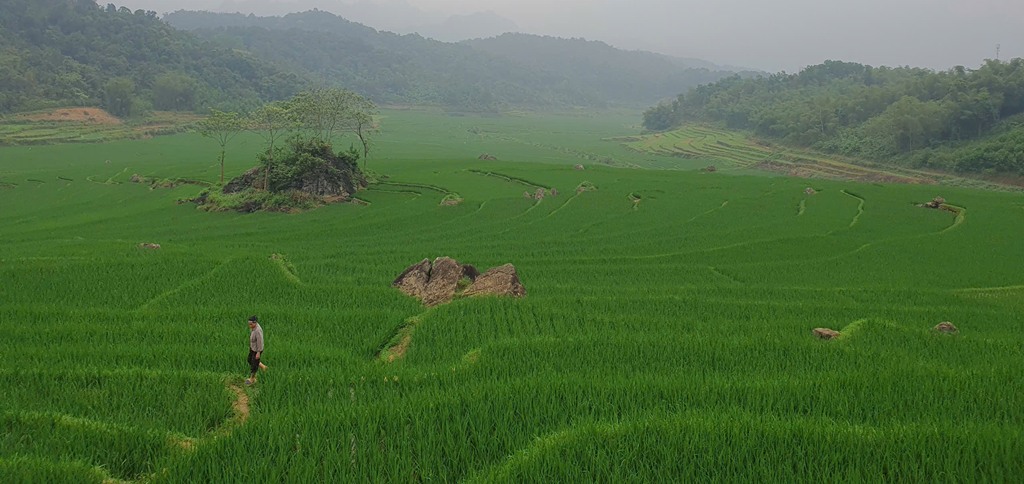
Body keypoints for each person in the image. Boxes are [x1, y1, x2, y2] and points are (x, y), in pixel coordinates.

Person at [246, 315, 267, 385]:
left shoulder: (258, 331)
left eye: (251, 324)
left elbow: (260, 342)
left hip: (257, 350)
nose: (249, 325)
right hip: (253, 348)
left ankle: (252, 379)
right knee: (249, 360)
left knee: (254, 365)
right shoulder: (253, 328)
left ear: (255, 323)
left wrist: (258, 352)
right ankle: (263, 367)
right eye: (249, 324)